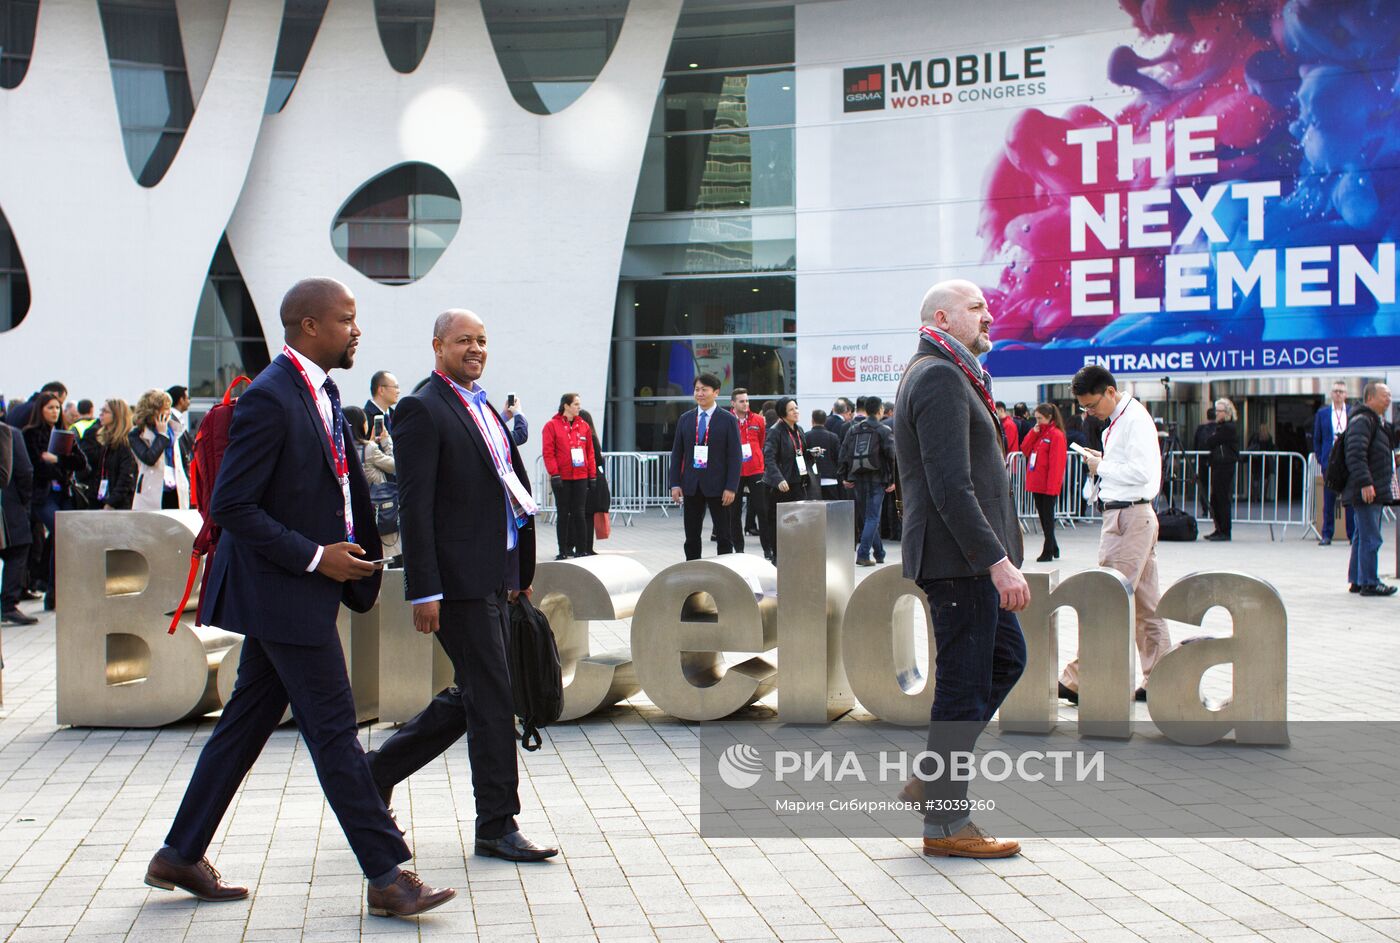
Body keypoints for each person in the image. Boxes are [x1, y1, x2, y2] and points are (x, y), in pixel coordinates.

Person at [146, 277, 452, 918]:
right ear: (308, 327)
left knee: (244, 725)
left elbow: (337, 488)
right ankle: (387, 875)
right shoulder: (270, 398)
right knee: (336, 733)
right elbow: (233, 504)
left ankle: (179, 852)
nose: (357, 329)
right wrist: (318, 557)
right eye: (346, 319)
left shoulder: (322, 390)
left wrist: (359, 550)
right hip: (284, 591)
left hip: (294, 595)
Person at [365, 308, 558, 865]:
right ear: (437, 346)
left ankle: (372, 773)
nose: (475, 349)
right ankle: (497, 824)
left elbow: (509, 490)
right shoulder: (422, 407)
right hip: (456, 584)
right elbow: (414, 505)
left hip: (495, 575)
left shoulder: (483, 405)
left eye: (482, 340)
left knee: (477, 692)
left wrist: (519, 572)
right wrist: (423, 590)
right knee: (493, 696)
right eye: (463, 341)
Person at [895, 279, 1027, 859]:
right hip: (960, 562)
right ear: (943, 319)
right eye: (977, 308)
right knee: (963, 686)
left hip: (965, 560)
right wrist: (996, 561)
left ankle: (933, 778)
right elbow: (951, 486)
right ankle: (946, 826)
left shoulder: (952, 373)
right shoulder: (940, 376)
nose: (989, 314)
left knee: (1006, 659)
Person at [1059, 365, 1172, 704]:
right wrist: (1103, 460)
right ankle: (1162, 678)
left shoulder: (1134, 420)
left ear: (1110, 392)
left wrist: (1101, 466)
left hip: (1127, 518)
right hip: (1132, 516)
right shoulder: (1123, 420)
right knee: (1146, 607)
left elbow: (1142, 472)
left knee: (1106, 598)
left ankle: (1079, 678)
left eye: (1092, 405)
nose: (1089, 413)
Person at [22, 391, 88, 610]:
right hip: (43, 496)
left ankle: (55, 592)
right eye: (50, 407)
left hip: (64, 494)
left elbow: (80, 463)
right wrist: (60, 467)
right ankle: (50, 589)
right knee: (60, 532)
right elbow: (37, 468)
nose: (54, 411)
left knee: (65, 537)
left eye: (57, 407)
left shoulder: (64, 434)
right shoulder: (31, 434)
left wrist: (58, 460)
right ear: (40, 409)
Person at [669, 373, 741, 561]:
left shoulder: (728, 420)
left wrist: (731, 487)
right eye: (697, 389)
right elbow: (677, 454)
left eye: (704, 390)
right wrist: (675, 483)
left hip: (719, 487)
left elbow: (735, 456)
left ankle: (725, 573)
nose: (699, 393)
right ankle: (693, 572)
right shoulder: (686, 419)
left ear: (716, 392)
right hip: (692, 486)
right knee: (691, 537)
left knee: (724, 536)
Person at [1343, 381, 1396, 596]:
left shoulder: (1375, 421)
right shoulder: (1363, 420)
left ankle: (1358, 579)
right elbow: (1355, 453)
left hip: (1372, 487)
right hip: (1367, 489)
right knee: (1371, 536)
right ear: (1370, 398)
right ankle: (1370, 582)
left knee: (1362, 535)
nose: (1389, 399)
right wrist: (1366, 482)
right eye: (1385, 395)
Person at [839, 394, 895, 567]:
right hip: (877, 479)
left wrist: (844, 476)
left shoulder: (853, 429)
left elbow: (844, 452)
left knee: (869, 518)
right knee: (872, 518)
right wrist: (893, 480)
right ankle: (863, 554)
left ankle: (879, 552)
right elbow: (892, 456)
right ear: (880, 411)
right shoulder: (884, 430)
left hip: (857, 478)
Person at [542, 392, 596, 560]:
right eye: (576, 404)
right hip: (562, 477)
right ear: (566, 406)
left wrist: (592, 475)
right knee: (563, 513)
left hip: (580, 476)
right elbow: (548, 452)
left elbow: (590, 453)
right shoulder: (551, 426)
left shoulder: (584, 426)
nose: (579, 407)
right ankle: (563, 550)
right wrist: (554, 473)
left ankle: (581, 549)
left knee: (579, 513)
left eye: (579, 404)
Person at [344, 404, 399, 562]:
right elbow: (395, 465)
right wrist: (386, 442)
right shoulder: (369, 448)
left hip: (354, 510)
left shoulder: (343, 448)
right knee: (383, 558)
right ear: (361, 423)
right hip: (379, 509)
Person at [762, 397, 812, 566]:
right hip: (781, 485)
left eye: (796, 408)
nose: (796, 412)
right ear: (783, 413)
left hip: (798, 481)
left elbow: (801, 454)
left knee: (798, 520)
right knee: (780, 522)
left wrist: (812, 454)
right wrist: (779, 479)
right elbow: (769, 458)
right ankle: (777, 555)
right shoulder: (776, 431)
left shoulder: (799, 430)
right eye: (791, 410)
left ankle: (795, 552)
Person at [1021, 403, 1068, 562]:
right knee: (1043, 517)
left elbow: (1056, 464)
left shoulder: (1056, 435)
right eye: (1036, 418)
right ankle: (1053, 546)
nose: (1037, 421)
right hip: (1037, 482)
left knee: (1047, 518)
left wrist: (1052, 487)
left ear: (1049, 418)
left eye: (1040, 418)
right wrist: (1033, 434)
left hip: (1047, 485)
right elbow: (1025, 449)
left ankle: (1048, 549)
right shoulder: (1039, 433)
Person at [129, 389, 190, 511]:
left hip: (175, 489)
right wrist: (161, 436)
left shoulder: (174, 429)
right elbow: (149, 458)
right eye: (165, 408)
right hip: (153, 491)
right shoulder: (136, 434)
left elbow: (184, 460)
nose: (169, 412)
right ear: (153, 411)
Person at [728, 389, 771, 558]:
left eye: (747, 401)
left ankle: (768, 549)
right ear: (733, 403)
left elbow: (761, 441)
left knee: (762, 509)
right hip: (735, 471)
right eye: (741, 401)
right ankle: (739, 550)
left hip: (756, 469)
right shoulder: (728, 420)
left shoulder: (758, 420)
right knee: (734, 512)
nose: (745, 404)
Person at [1, 425, 35, 625]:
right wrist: (25, 501)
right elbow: (24, 471)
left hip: (9, 503)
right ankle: (7, 604)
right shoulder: (9, 432)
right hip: (9, 504)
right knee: (18, 548)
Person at [78, 399, 138, 511]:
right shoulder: (105, 441)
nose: (101, 414)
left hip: (118, 505)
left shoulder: (125, 443)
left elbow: (126, 478)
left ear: (116, 416)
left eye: (105, 411)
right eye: (101, 410)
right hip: (101, 498)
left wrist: (111, 503)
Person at [1313, 382, 1353, 545]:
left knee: (1350, 500)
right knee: (1328, 500)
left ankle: (1352, 534)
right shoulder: (1323, 413)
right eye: (1335, 391)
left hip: (1348, 460)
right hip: (1330, 461)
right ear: (1331, 394)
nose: (1338, 394)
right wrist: (1320, 457)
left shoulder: (1351, 412)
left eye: (1341, 391)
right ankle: (1327, 534)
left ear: (1346, 395)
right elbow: (1317, 438)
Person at [1205, 398, 1239, 541]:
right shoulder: (1220, 427)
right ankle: (1218, 528)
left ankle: (1225, 530)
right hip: (1218, 464)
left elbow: (1211, 441)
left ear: (1226, 413)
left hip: (1225, 465)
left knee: (1222, 498)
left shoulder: (1228, 428)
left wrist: (1212, 437)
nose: (1216, 414)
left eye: (1219, 411)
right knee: (1215, 498)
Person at [578, 408, 605, 556]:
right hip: (592, 478)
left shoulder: (587, 437)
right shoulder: (592, 437)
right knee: (588, 515)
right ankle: (587, 547)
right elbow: (599, 460)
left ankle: (582, 547)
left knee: (583, 514)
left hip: (586, 478)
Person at [806, 409, 843, 501]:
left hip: (812, 480)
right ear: (825, 421)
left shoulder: (806, 436)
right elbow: (839, 458)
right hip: (831, 479)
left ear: (812, 420)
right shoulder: (833, 437)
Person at [1193, 405, 1217, 517]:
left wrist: (1194, 458)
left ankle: (1205, 509)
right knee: (1215, 485)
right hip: (1215, 460)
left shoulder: (1201, 428)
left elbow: (1195, 444)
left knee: (1203, 485)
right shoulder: (1219, 428)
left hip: (1202, 460)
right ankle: (1214, 509)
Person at [166, 384, 195, 477]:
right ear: (181, 400)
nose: (189, 401)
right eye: (187, 398)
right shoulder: (171, 419)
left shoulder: (178, 418)